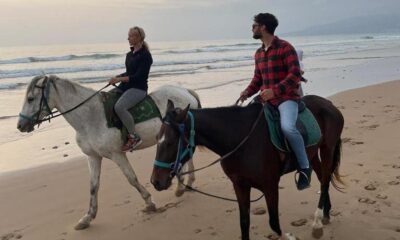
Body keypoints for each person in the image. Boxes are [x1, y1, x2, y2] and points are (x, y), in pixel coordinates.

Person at [239, 13, 312, 190]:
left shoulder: (285, 48)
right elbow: (258, 78)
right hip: (266, 99)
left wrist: (274, 91)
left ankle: (304, 167)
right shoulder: (258, 53)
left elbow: (294, 75)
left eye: (255, 25)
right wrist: (247, 92)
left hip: (286, 98)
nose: (252, 28)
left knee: (288, 127)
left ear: (263, 27)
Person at [109, 26, 153, 152]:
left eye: (131, 36)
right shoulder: (129, 55)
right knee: (106, 98)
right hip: (126, 87)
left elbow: (138, 77)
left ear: (139, 38)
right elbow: (129, 72)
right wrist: (117, 77)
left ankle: (134, 137)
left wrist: (119, 80)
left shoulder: (146, 56)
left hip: (139, 89)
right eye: (128, 36)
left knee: (119, 107)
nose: (128, 38)